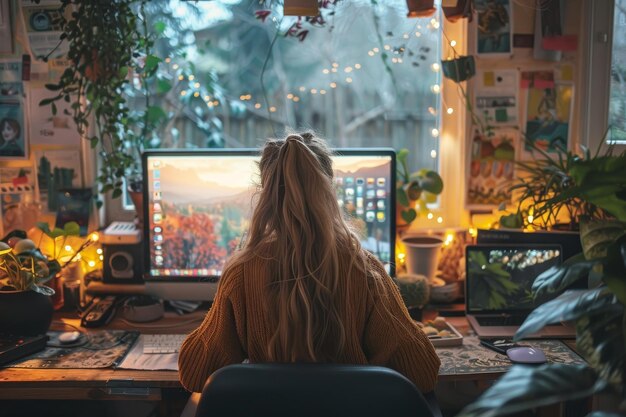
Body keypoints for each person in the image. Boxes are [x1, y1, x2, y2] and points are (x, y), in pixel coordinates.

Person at [178, 133, 440, 395]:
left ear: (266, 195)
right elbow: (423, 372)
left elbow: (194, 374)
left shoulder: (242, 273)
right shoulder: (364, 270)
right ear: (327, 189)